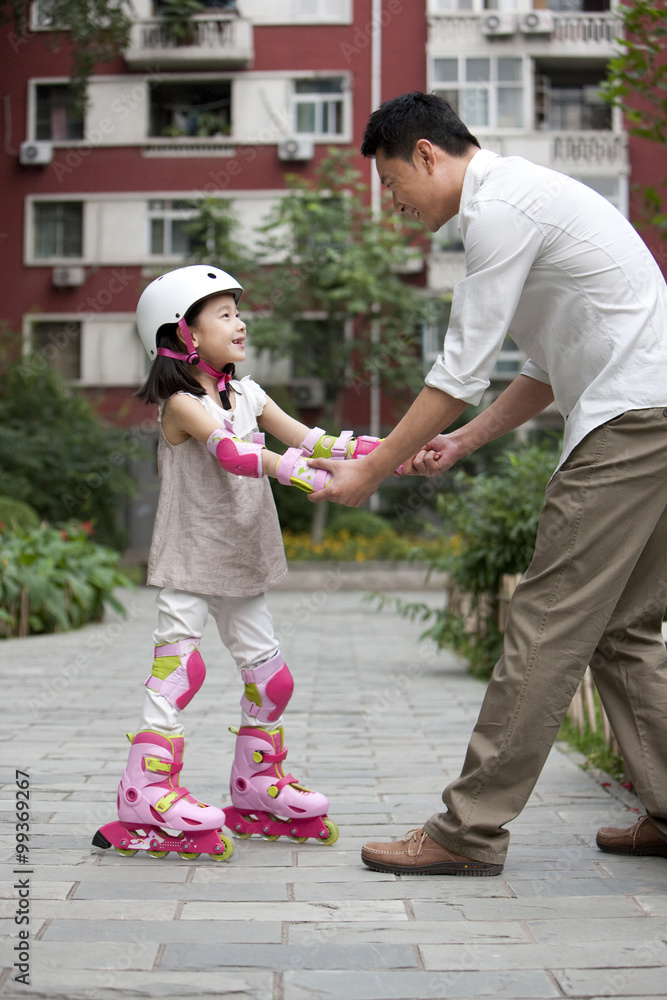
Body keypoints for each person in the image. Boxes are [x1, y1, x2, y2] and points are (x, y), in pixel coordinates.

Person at [307, 92, 667, 875]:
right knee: (624, 627)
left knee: (547, 622)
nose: (394, 204)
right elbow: (539, 369)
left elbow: (458, 370)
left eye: (393, 182)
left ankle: (466, 832)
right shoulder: (531, 201)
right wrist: (462, 440)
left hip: (632, 421)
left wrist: (370, 469)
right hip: (654, 412)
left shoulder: (499, 209)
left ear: (428, 154)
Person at [93, 264, 380, 860]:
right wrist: (292, 471)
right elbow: (230, 452)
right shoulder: (181, 403)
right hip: (193, 555)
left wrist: (388, 450)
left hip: (240, 559)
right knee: (179, 671)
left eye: (237, 311)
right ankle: (145, 791)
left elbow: (313, 438)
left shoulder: (248, 392)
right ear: (183, 335)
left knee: (273, 681)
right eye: (224, 314)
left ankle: (257, 788)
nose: (241, 322)